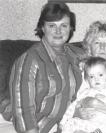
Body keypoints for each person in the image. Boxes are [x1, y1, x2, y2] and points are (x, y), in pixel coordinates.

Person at [9, 2, 84, 133]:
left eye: (64, 25)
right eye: (52, 25)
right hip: (41, 127)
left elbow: (105, 58)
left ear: (70, 28)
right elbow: (23, 110)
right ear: (43, 28)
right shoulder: (30, 60)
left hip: (70, 126)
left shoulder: (76, 53)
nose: (58, 31)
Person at [60, 56, 106, 133]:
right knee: (71, 123)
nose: (96, 79)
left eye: (100, 75)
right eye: (91, 76)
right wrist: (64, 121)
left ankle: (99, 131)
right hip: (88, 123)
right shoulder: (85, 93)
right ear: (87, 80)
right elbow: (72, 107)